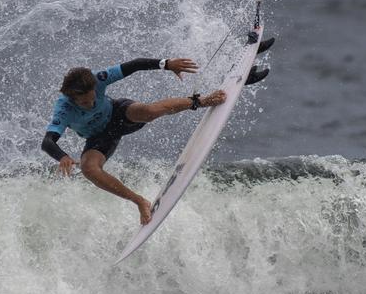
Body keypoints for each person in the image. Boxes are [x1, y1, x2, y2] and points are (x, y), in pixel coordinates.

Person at [41, 57, 227, 225]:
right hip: (100, 138)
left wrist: (166, 64)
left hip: (119, 112)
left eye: (92, 99)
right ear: (72, 98)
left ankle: (200, 101)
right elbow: (48, 141)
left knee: (148, 112)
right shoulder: (63, 109)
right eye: (84, 103)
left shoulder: (98, 78)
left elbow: (133, 65)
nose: (91, 105)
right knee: (88, 169)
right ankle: (139, 201)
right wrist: (62, 156)